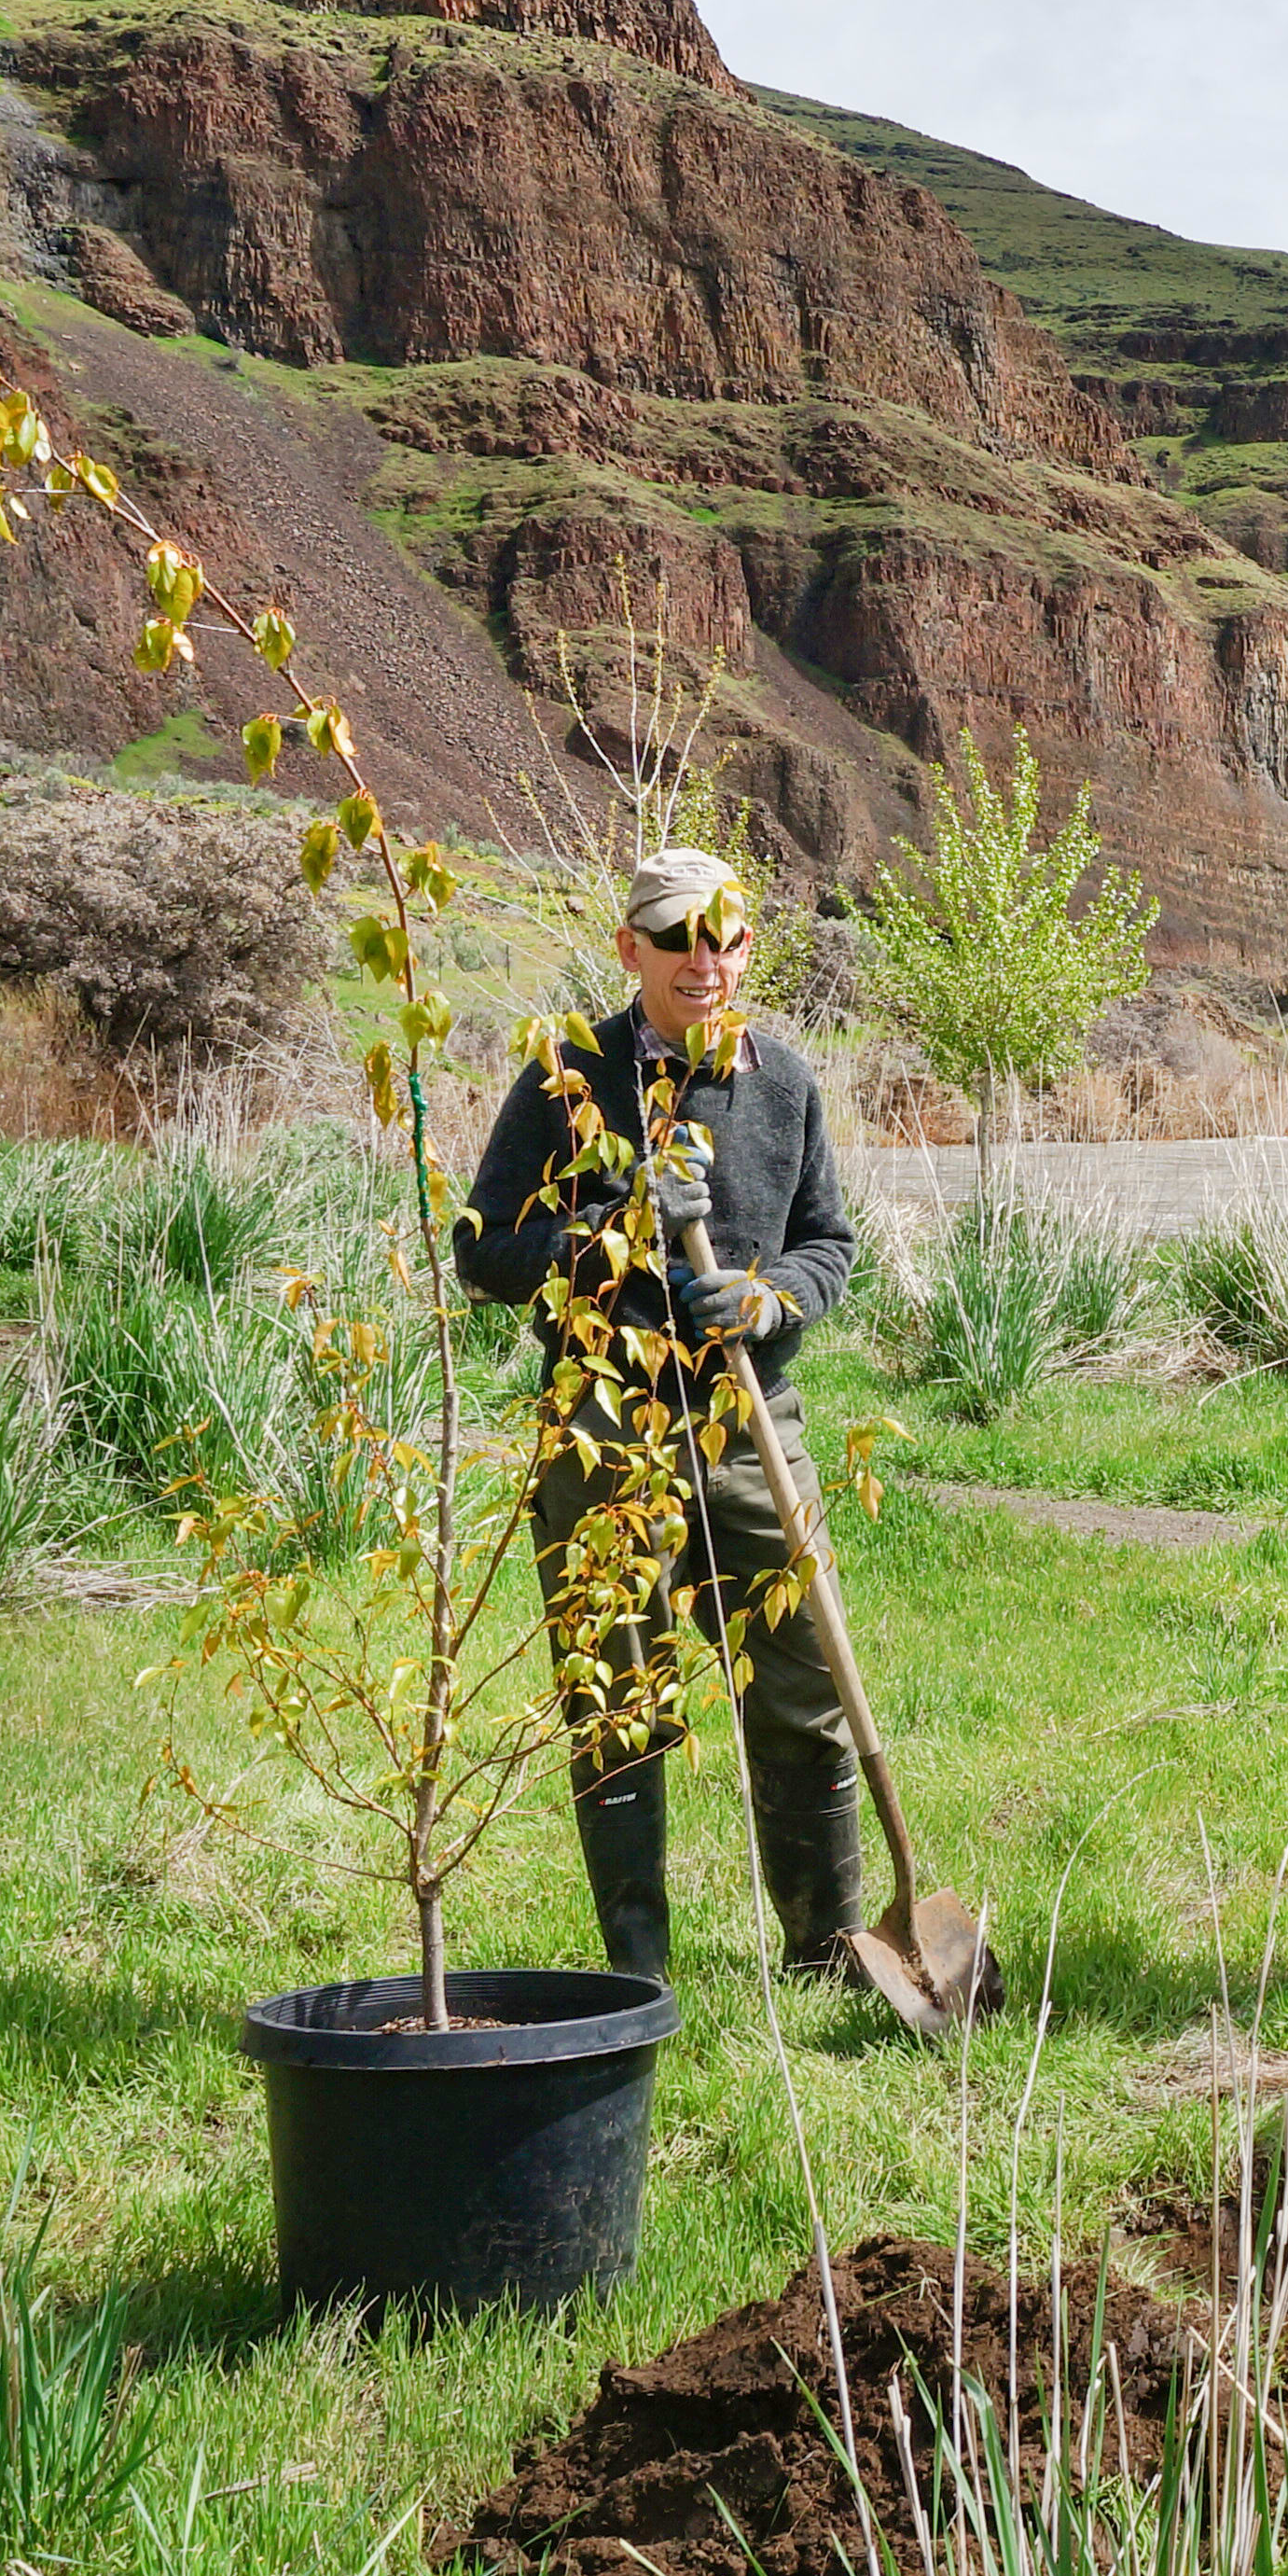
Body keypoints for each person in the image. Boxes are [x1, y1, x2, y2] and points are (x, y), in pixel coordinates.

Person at [452, 850, 863, 1985]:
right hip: (604, 1425)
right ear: (631, 946)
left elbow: (831, 1242)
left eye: (725, 937)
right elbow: (481, 1252)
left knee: (804, 1680)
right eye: (679, 935)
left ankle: (826, 1951)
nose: (704, 958)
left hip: (748, 1417)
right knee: (618, 1700)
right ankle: (638, 1976)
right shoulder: (567, 1076)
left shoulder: (783, 1082)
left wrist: (772, 1297)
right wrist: (613, 1229)